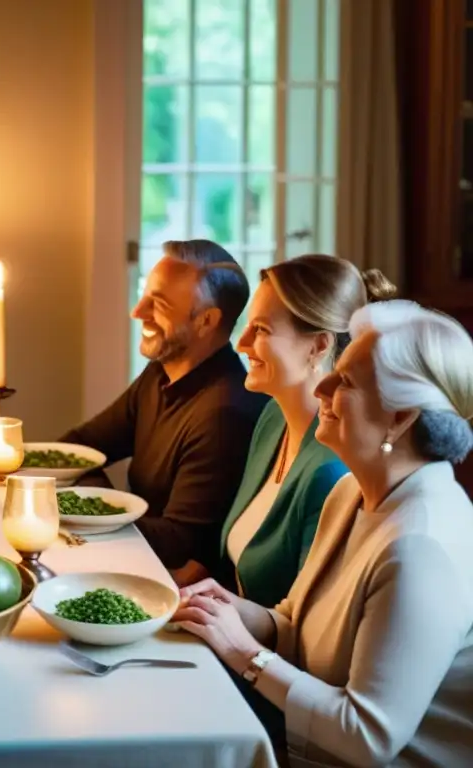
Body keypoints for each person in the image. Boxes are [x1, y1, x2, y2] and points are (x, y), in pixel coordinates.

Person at [174, 300, 473, 767]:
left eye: (346, 381)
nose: (323, 386)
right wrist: (225, 610)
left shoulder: (420, 550)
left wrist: (244, 652)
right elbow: (298, 621)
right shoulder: (352, 490)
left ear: (401, 417)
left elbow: (367, 738)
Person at [59, 240, 267, 579]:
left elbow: (180, 542)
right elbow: (84, 447)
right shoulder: (161, 371)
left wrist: (85, 503)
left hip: (164, 586)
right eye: (144, 294)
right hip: (133, 557)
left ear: (206, 321)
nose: (137, 311)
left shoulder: (224, 413)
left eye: (158, 304)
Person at [214, 256, 395, 607]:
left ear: (319, 346)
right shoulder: (272, 419)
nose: (241, 344)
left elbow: (303, 627)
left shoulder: (331, 473)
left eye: (261, 330)